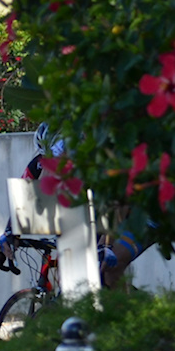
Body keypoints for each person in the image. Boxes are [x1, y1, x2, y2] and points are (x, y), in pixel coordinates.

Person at [18, 123, 147, 288]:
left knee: (108, 270)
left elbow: (117, 202)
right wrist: (10, 235)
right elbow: (25, 204)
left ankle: (122, 309)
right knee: (71, 277)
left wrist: (106, 243)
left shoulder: (93, 162)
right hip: (97, 216)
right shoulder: (43, 165)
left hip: (124, 212)